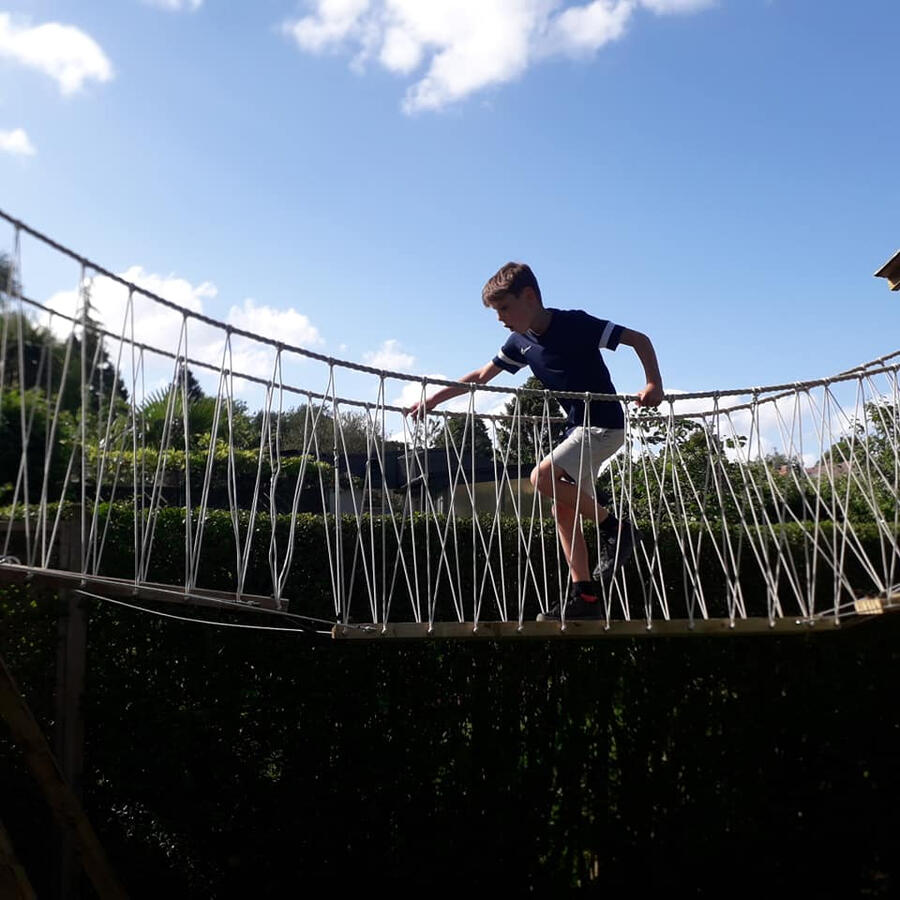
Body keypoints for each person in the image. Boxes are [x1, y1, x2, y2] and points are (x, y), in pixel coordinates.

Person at [404, 262, 663, 620]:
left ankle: (616, 531)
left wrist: (653, 384)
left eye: (504, 309)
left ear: (529, 297)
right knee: (564, 509)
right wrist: (434, 400)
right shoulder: (520, 342)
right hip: (577, 429)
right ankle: (585, 599)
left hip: (603, 425)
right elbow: (481, 375)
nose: (500, 319)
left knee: (541, 478)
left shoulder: (575, 323)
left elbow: (639, 340)